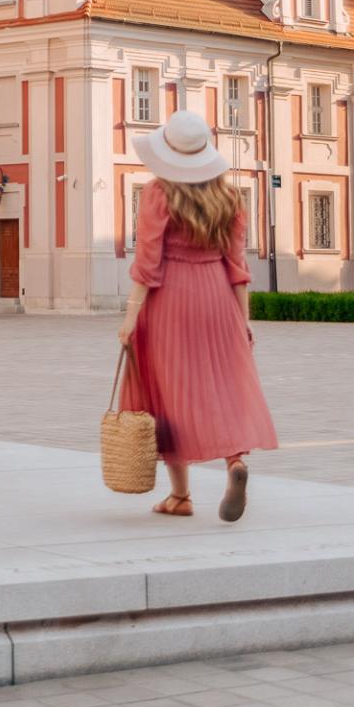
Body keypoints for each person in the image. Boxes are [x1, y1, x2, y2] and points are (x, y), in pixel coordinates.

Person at [117, 110, 277, 522]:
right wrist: (244, 322)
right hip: (218, 298)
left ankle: (181, 495)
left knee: (169, 393)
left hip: (170, 299)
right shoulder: (228, 198)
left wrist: (130, 319)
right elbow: (238, 267)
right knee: (222, 386)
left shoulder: (157, 194)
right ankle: (234, 462)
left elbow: (147, 265)